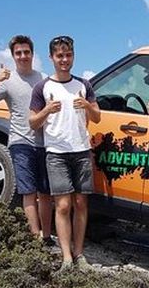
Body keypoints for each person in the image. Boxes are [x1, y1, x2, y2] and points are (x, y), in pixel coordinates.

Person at [29, 36, 101, 272]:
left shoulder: (83, 85)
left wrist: (87, 105)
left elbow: (97, 117)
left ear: (73, 56)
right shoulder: (42, 87)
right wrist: (47, 110)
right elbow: (32, 122)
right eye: (59, 56)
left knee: (80, 203)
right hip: (56, 153)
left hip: (81, 151)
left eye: (68, 55)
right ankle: (66, 258)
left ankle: (79, 254)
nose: (64, 60)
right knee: (62, 205)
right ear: (51, 57)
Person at [0, 35, 53, 246]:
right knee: (28, 191)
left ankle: (47, 236)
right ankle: (35, 237)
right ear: (13, 56)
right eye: (18, 53)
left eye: (26, 52)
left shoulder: (44, 79)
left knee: (45, 192)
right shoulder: (7, 80)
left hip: (45, 142)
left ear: (32, 54)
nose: (23, 56)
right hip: (20, 141)